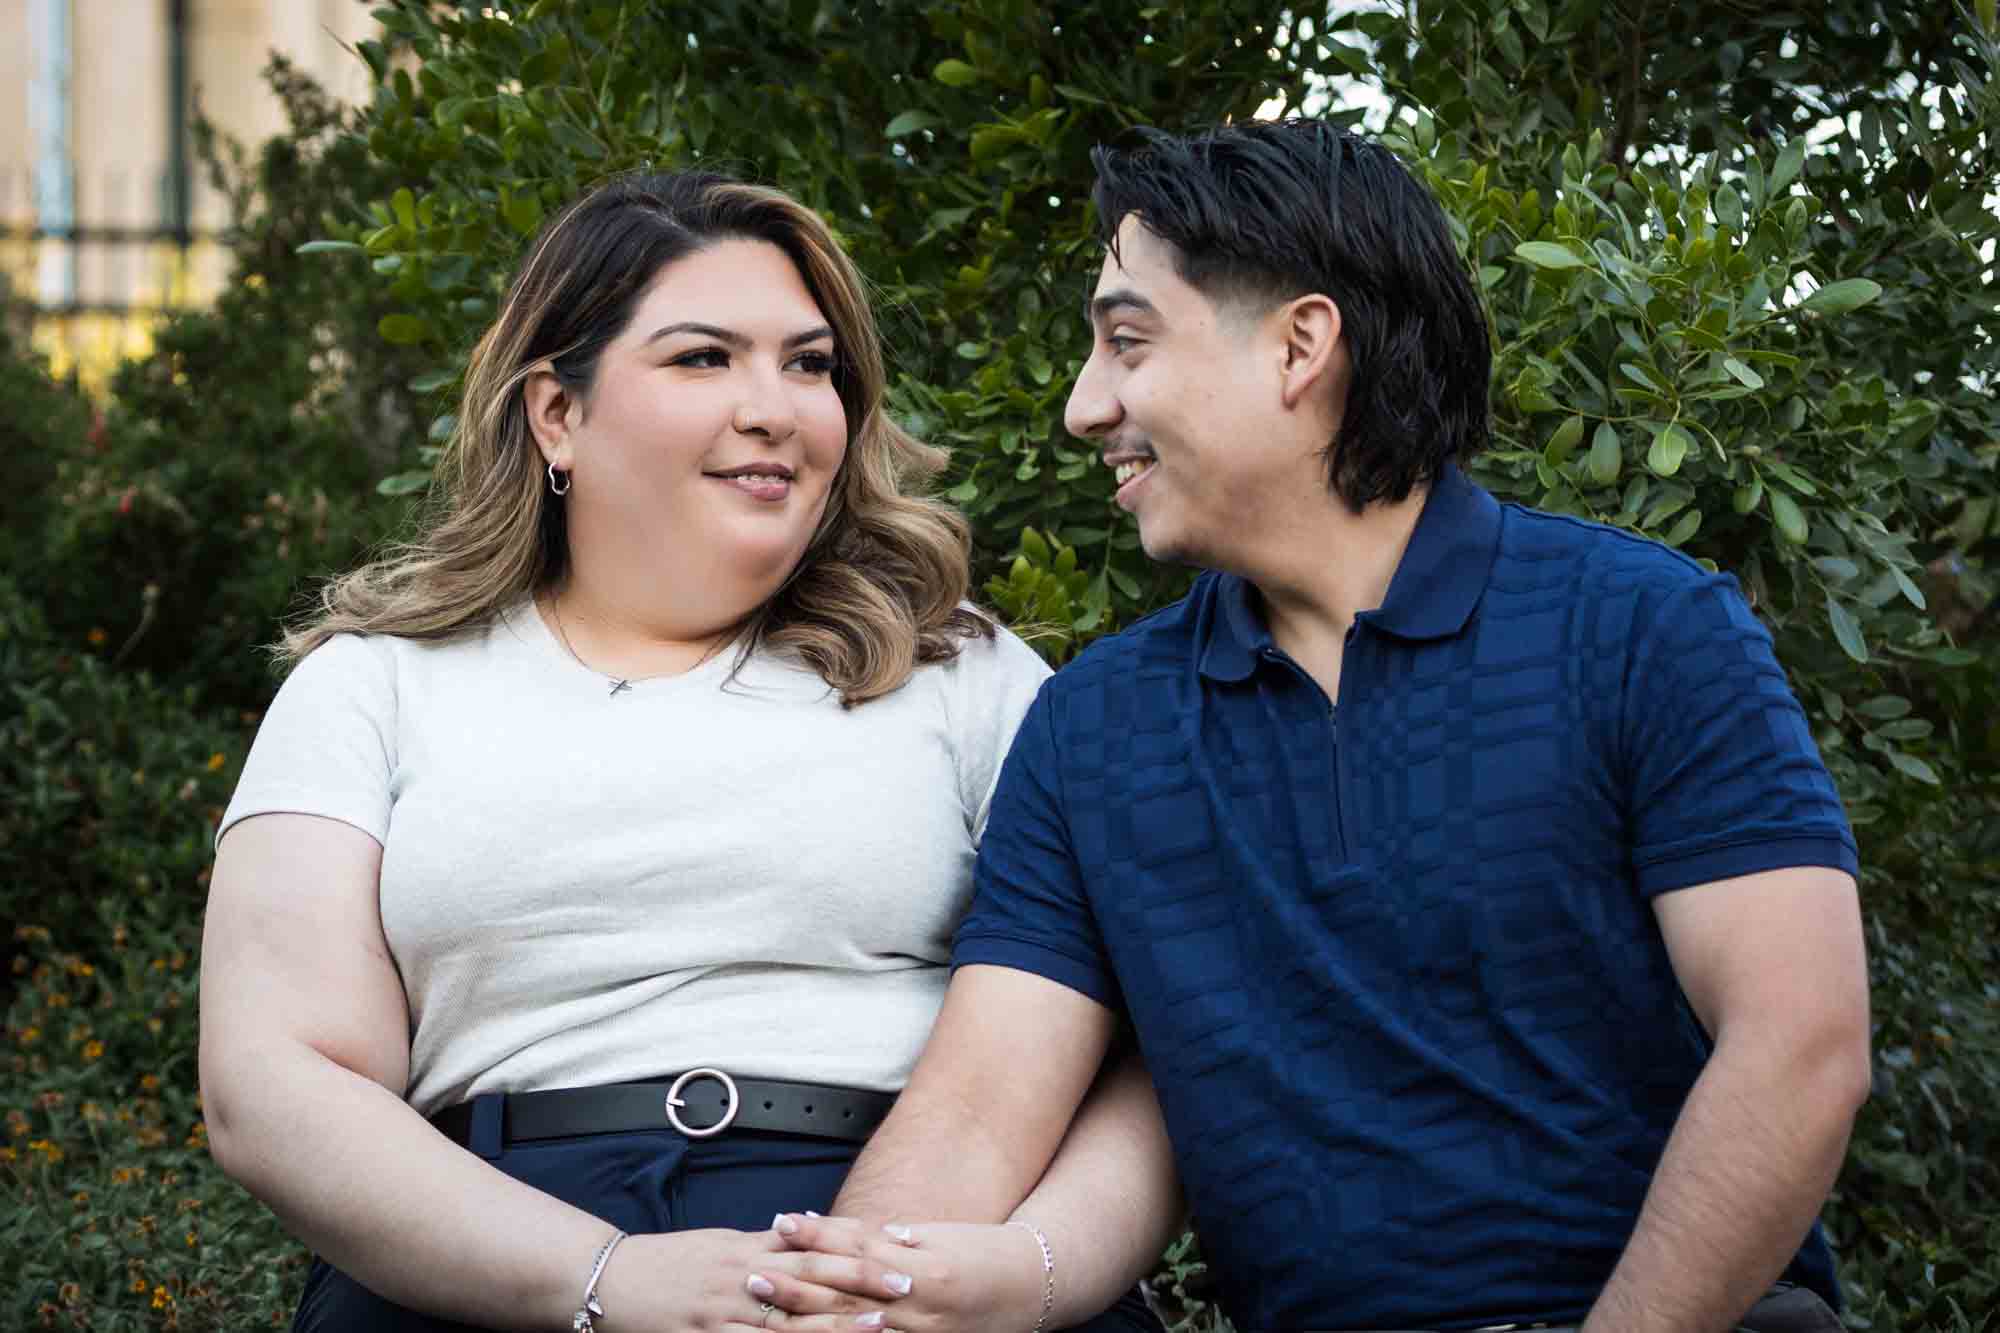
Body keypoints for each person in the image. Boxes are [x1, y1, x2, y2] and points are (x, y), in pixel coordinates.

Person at [774, 120, 1872, 1333]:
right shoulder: (1093, 730)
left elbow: (1798, 1046)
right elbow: (977, 1111)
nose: (1086, 406)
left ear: (1300, 344)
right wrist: (845, 1295)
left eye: (1125, 340)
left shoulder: (1641, 629)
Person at [198, 169, 1179, 1333]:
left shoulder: (965, 674)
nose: (774, 406)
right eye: (702, 358)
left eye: (808, 364)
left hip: (911, 1258)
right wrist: (602, 1278)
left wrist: (1024, 1270)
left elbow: (1153, 1043)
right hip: (489, 1261)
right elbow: (275, 1084)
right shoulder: (374, 686)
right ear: (556, 413)